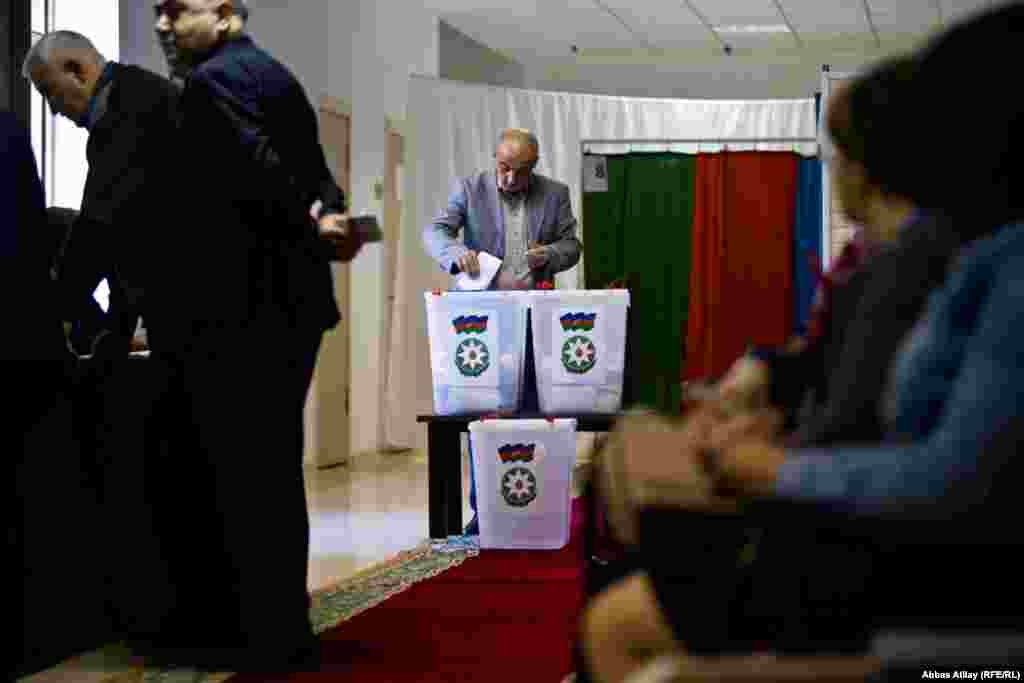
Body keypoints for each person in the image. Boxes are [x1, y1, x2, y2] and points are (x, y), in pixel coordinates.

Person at [580, 5, 1024, 680]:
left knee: (619, 610)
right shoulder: (966, 253)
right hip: (873, 529)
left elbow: (948, 473)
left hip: (904, 568)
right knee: (639, 463)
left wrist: (772, 461)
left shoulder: (957, 258)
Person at [150, 0, 364, 672]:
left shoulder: (215, 82)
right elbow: (313, 173)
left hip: (247, 310)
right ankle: (276, 625)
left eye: (175, 9)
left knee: (243, 473)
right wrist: (327, 217)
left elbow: (259, 171)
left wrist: (311, 222)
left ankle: (260, 634)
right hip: (286, 308)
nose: (162, 24)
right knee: (268, 469)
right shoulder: (271, 73)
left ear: (225, 13)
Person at [423, 127, 583, 533]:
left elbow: (572, 245)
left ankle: (531, 508)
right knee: (488, 420)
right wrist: (456, 253)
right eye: (504, 168)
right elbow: (436, 231)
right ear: (495, 159)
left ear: (534, 167)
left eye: (521, 171)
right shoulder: (470, 188)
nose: (510, 178)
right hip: (484, 325)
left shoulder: (555, 193)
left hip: (536, 321)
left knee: (533, 415)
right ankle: (485, 514)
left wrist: (548, 254)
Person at [23, 31, 182, 359]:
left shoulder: (127, 113)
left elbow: (98, 230)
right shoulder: (137, 95)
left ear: (77, 71)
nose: (53, 110)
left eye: (50, 92)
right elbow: (129, 231)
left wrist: (51, 314)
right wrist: (117, 329)